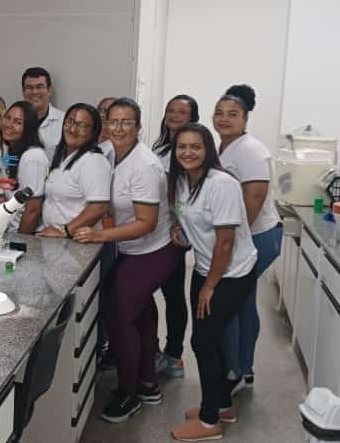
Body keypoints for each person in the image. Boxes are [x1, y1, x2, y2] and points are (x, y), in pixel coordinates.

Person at [73, 98, 179, 423]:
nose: (118, 128)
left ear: (139, 127)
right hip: (130, 249)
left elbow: (146, 223)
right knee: (139, 315)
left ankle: (128, 393)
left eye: (126, 122)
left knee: (118, 316)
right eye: (113, 121)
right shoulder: (108, 153)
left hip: (153, 251)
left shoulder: (144, 165)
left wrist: (99, 236)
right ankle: (147, 383)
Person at [168, 123, 258, 442]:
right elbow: (190, 217)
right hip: (206, 268)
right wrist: (180, 231)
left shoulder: (222, 184)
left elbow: (225, 240)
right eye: (182, 147)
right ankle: (223, 406)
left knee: (203, 342)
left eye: (195, 146)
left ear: (207, 150)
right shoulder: (183, 180)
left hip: (231, 274)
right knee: (210, 340)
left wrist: (210, 286)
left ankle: (209, 423)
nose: (188, 152)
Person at [213, 85, 282, 394]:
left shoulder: (251, 150)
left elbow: (252, 202)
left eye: (232, 114)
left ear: (245, 119)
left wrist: (228, 246)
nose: (224, 119)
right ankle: (244, 367)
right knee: (242, 302)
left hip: (256, 237)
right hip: (247, 237)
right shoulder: (226, 147)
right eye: (219, 113)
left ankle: (233, 370)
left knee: (227, 301)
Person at [150, 94, 200, 378]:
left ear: (192, 118)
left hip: (172, 233)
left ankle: (174, 355)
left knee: (173, 296)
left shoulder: (188, 152)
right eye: (171, 110)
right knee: (148, 294)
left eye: (182, 111)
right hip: (152, 230)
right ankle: (154, 350)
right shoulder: (160, 147)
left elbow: (184, 195)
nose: (174, 115)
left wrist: (179, 225)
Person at [37, 103, 110, 238]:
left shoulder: (94, 161)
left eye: (81, 125)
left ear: (93, 132)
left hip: (77, 241)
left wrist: (64, 231)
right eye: (69, 122)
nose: (72, 129)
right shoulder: (61, 157)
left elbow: (99, 207)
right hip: (55, 240)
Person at [0, 101, 48, 233]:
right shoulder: (9, 151)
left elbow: (33, 209)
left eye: (17, 122)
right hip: (9, 231)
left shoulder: (33, 156)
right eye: (8, 118)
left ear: (28, 128)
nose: (9, 125)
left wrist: (21, 240)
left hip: (24, 234)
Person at [21, 67, 65, 161]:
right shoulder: (11, 121)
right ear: (23, 92)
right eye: (29, 88)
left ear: (50, 90)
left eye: (39, 87)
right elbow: (5, 157)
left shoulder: (64, 121)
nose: (34, 92)